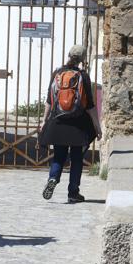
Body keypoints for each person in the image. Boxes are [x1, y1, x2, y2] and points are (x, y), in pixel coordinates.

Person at [39, 45, 102, 203]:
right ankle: (73, 192)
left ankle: (53, 178)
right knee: (76, 159)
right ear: (82, 59)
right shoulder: (82, 76)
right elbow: (90, 106)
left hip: (58, 121)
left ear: (68, 55)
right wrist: (97, 126)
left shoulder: (57, 73)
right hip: (77, 124)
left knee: (59, 156)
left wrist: (44, 121)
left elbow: (49, 100)